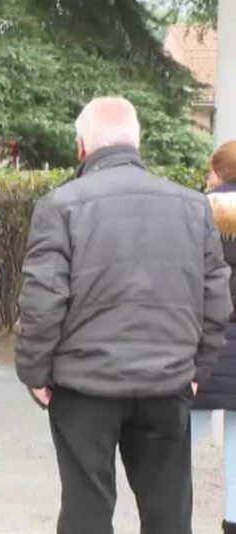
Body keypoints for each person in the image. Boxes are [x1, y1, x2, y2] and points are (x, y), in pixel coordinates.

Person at [16, 97, 232, 533]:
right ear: (137, 142)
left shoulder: (59, 206)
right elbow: (216, 300)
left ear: (82, 147)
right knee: (168, 513)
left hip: (84, 386)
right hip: (167, 382)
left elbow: (42, 302)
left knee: (86, 510)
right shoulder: (192, 206)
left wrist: (35, 372)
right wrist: (197, 369)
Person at [193, 140, 236, 534]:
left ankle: (173, 517)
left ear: (218, 171)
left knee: (180, 439)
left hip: (203, 340)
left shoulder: (196, 213)